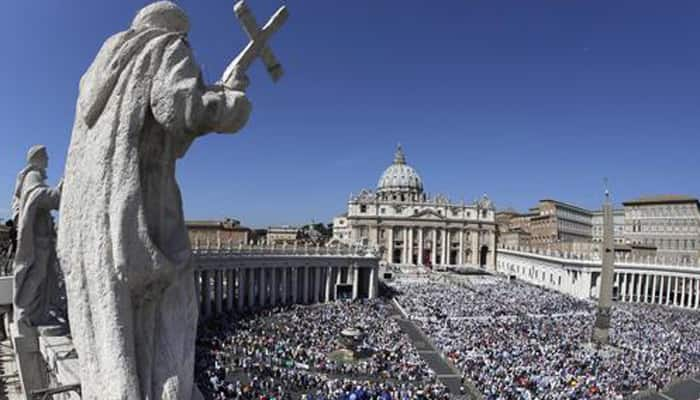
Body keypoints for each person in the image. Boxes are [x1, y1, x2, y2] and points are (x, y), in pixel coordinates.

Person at [57, 2, 251, 399]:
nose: (189, 48)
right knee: (173, 309)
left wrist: (210, 90)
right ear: (176, 31)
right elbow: (180, 109)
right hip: (146, 207)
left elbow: (164, 134)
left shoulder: (103, 67)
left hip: (92, 220)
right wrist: (230, 100)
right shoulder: (165, 46)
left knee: (114, 324)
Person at [11, 145, 61, 329]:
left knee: (41, 275)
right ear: (37, 157)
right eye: (45, 156)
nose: (48, 160)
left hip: (41, 235)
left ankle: (34, 313)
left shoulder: (30, 176)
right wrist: (59, 193)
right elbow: (38, 196)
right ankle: (24, 312)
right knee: (37, 274)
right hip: (39, 238)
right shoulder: (33, 175)